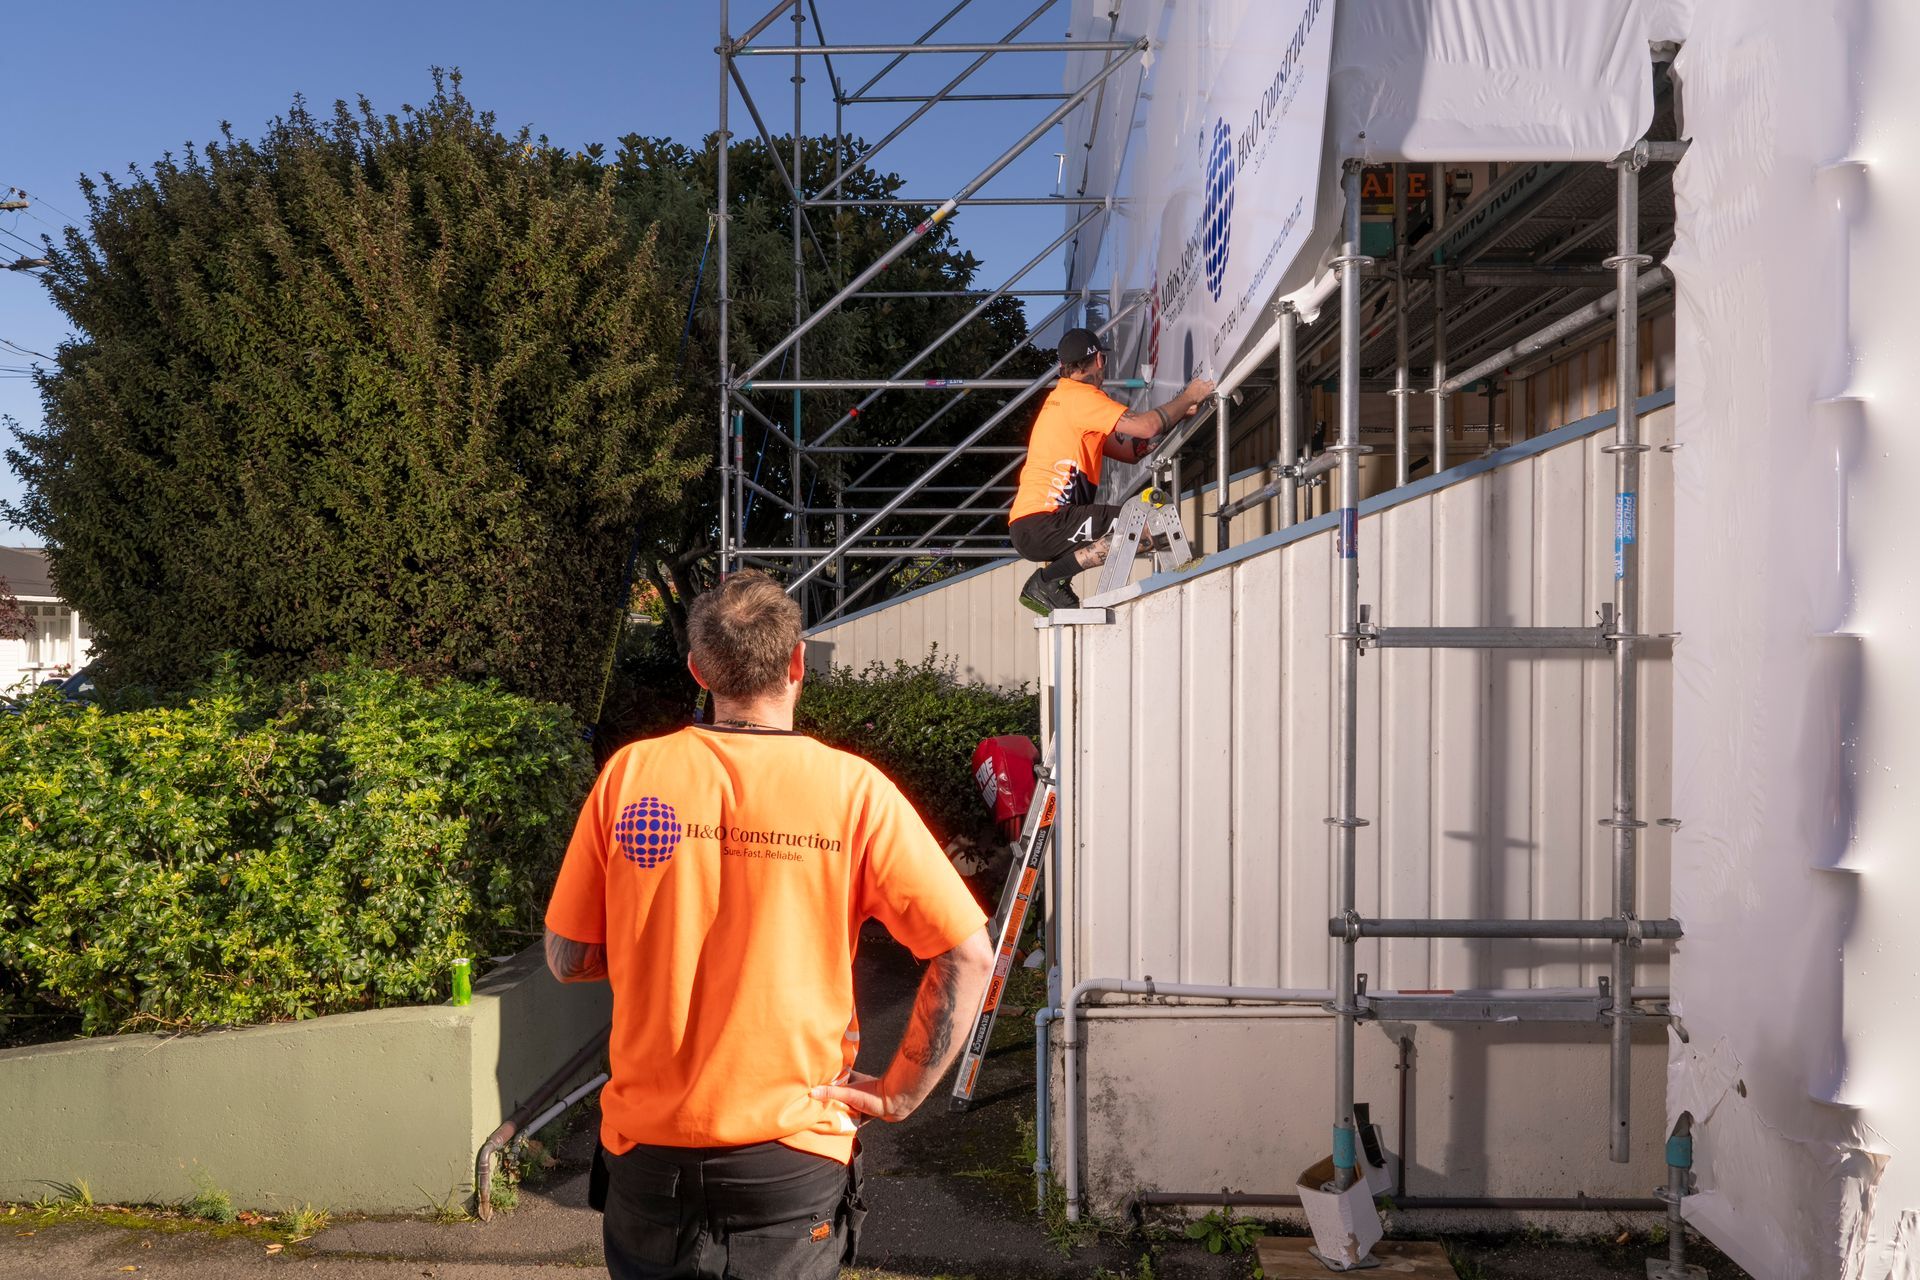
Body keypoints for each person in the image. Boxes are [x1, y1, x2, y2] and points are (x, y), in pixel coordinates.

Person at [543, 570, 994, 1280]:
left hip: (646, 1152)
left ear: (698, 671)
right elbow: (968, 954)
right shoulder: (854, 793)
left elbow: (569, 958)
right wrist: (899, 1092)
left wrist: (652, 938)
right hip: (792, 1153)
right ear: (797, 663)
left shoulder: (630, 777)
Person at [1009, 327, 1215, 613]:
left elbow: (1132, 450)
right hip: (1046, 520)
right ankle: (1047, 582)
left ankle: (1051, 581)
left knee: (1140, 532)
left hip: (1033, 524)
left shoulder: (1064, 399)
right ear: (1099, 361)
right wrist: (1189, 395)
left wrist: (1179, 413)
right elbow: (1146, 426)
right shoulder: (1082, 397)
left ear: (1063, 367)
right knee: (1144, 530)